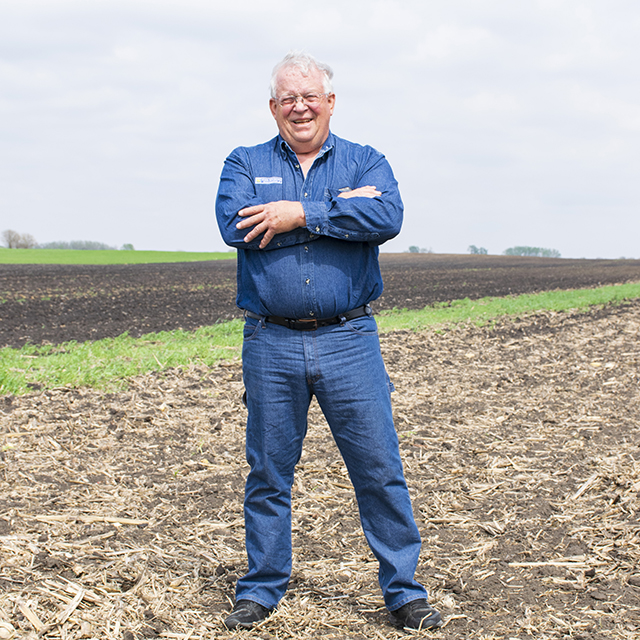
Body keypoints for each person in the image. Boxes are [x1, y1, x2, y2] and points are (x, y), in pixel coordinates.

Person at [215, 51, 441, 632]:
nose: (299, 106)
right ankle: (262, 587)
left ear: (330, 102)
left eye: (309, 95)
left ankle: (404, 591)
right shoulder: (244, 162)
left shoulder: (367, 161)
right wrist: (342, 220)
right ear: (273, 107)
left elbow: (387, 217)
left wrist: (297, 215)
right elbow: (235, 226)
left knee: (378, 467)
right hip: (271, 343)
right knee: (269, 471)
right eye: (287, 98)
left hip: (350, 340)